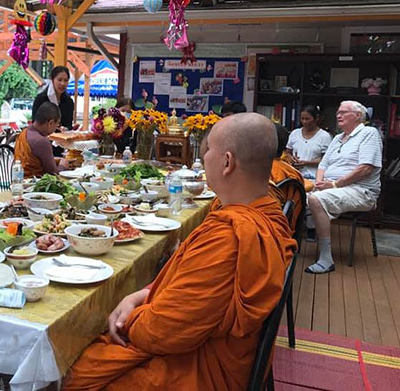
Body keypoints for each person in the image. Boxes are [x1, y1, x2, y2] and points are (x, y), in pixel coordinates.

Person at [64, 113, 296, 391]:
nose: (204, 157)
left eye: (208, 149)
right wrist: (141, 295)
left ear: (227, 162)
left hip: (196, 369)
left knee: (73, 368)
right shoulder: (262, 213)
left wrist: (126, 318)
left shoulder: (229, 237)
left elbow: (160, 332)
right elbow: (192, 292)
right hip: (204, 345)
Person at [305, 101, 383, 274]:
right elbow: (323, 164)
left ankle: (326, 259)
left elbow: (366, 168)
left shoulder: (368, 133)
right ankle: (288, 246)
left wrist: (334, 184)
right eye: (338, 112)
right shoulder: (337, 138)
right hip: (332, 187)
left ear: (358, 116)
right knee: (293, 195)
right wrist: (319, 183)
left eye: (344, 112)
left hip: (360, 190)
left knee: (315, 199)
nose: (338, 115)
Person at [15, 102, 72, 178]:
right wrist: (63, 166)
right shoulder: (42, 141)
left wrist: (55, 160)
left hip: (18, 179)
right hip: (34, 182)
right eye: (57, 124)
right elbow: (53, 173)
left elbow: (36, 159)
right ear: (51, 123)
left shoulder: (24, 132)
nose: (57, 128)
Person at [286, 105, 331, 180]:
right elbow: (288, 152)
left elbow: (326, 160)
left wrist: (307, 163)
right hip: (295, 176)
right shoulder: (294, 133)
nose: (304, 122)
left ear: (316, 118)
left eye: (307, 119)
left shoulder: (324, 136)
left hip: (314, 177)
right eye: (302, 118)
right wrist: (292, 159)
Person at [32, 66, 74, 130]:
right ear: (52, 80)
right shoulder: (41, 99)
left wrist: (65, 128)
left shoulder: (69, 101)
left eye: (66, 80)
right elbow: (35, 123)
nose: (62, 83)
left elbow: (69, 125)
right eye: (59, 80)